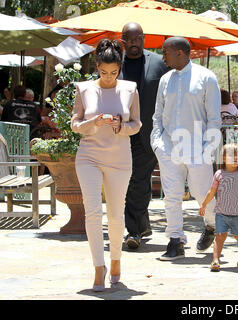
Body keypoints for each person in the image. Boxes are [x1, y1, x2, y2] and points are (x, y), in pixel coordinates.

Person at [71, 39, 142, 291]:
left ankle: (115, 260)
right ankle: (98, 268)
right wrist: (95, 123)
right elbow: (75, 124)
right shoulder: (84, 88)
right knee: (93, 212)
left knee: (115, 213)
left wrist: (121, 126)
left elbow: (137, 124)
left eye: (114, 72)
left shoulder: (130, 88)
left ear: (119, 69)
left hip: (120, 159)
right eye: (104, 72)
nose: (109, 77)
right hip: (88, 156)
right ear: (97, 67)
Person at [151, 36, 221, 260]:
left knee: (203, 195)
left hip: (198, 148)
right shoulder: (165, 79)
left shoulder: (207, 78)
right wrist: (158, 143)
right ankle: (175, 240)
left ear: (180, 53)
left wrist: (208, 148)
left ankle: (211, 225)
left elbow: (214, 119)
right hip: (169, 148)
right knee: (171, 196)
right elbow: (158, 116)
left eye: (166, 52)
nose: (162, 56)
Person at [119, 22, 169, 249]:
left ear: (144, 39)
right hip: (118, 133)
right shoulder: (113, 64)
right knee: (131, 181)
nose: (134, 43)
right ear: (122, 41)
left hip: (148, 133)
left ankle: (133, 231)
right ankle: (142, 224)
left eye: (137, 38)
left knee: (138, 180)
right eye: (129, 40)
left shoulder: (159, 63)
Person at [199, 143, 238, 272]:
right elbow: (211, 191)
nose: (235, 157)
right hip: (221, 213)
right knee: (220, 236)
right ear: (223, 158)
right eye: (231, 155)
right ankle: (215, 260)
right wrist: (204, 204)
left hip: (237, 213)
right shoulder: (218, 174)